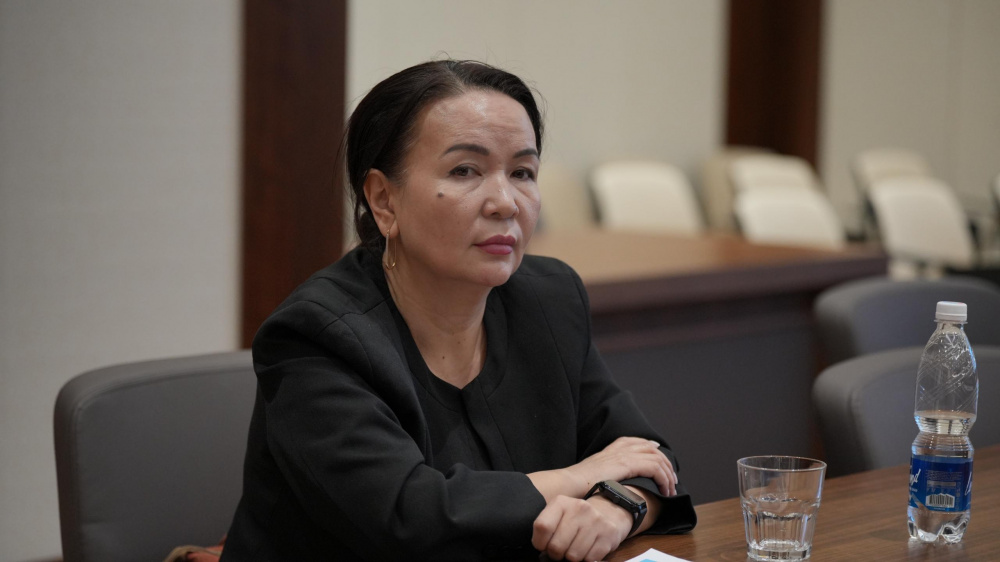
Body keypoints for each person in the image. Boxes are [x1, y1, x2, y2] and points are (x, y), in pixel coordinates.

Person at [221, 60, 696, 562]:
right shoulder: (316, 334)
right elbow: (409, 518)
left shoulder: (549, 298)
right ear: (384, 200)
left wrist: (618, 506)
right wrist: (583, 477)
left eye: (522, 173)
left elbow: (644, 458)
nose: (505, 203)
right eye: (465, 170)